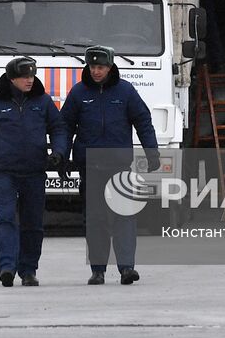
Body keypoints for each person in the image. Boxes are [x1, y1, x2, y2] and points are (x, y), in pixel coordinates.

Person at [61, 45, 160, 286]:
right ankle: (98, 270)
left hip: (119, 166)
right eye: (93, 67)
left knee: (124, 216)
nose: (96, 71)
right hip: (91, 167)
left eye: (101, 67)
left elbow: (143, 121)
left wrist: (152, 152)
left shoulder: (125, 91)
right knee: (96, 220)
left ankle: (127, 268)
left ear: (110, 67)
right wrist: (62, 156)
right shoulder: (78, 93)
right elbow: (64, 127)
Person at [0, 56, 70, 288]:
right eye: (25, 76)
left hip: (34, 172)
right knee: (5, 219)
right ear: (11, 78)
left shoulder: (43, 102)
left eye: (32, 76)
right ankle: (6, 267)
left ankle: (28, 270)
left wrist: (59, 152)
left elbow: (59, 128)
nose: (29, 80)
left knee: (33, 223)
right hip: (4, 173)